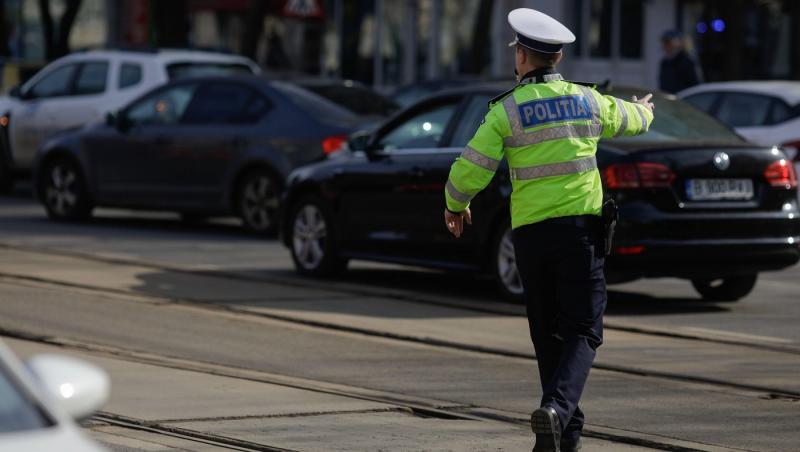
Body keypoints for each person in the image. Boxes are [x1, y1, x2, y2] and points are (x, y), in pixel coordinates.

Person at [442, 8, 654, 452]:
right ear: (557, 58)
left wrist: (455, 205)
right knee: (583, 330)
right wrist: (644, 112)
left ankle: (556, 440)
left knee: (547, 335)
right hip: (579, 233)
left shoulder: (506, 111)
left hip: (532, 239)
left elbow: (470, 168)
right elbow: (631, 119)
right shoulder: (587, 100)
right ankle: (557, 411)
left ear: (523, 56)